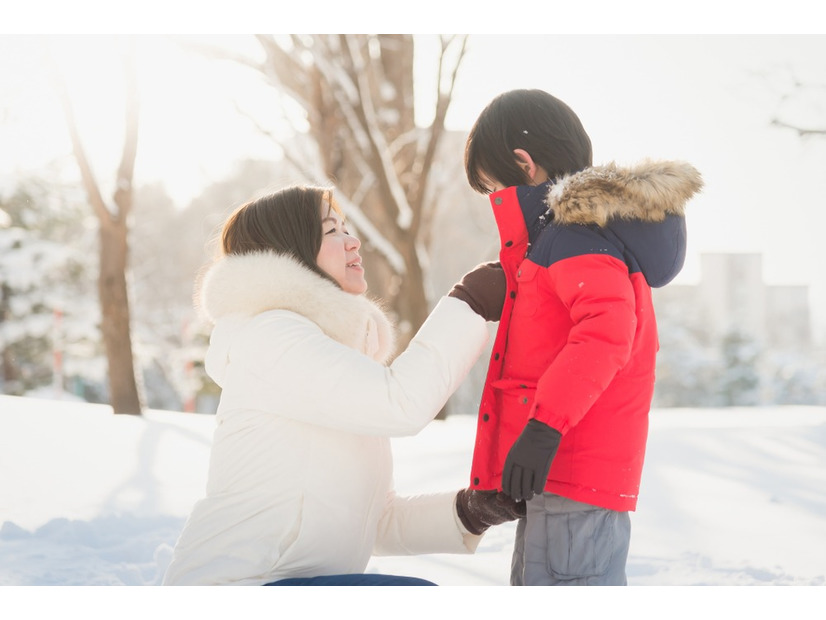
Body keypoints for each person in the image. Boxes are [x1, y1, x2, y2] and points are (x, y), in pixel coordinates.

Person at [162, 185, 524, 586]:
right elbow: (400, 404)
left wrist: (469, 511)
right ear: (292, 249)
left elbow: (375, 520)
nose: (353, 242)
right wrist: (469, 302)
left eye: (347, 228)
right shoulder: (271, 338)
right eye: (332, 230)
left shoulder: (323, 355)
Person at [462, 89, 704, 586]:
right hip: (560, 475)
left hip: (570, 468)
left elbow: (606, 334)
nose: (494, 202)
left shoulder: (573, 237)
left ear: (523, 164)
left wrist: (543, 427)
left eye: (492, 187)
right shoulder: (572, 236)